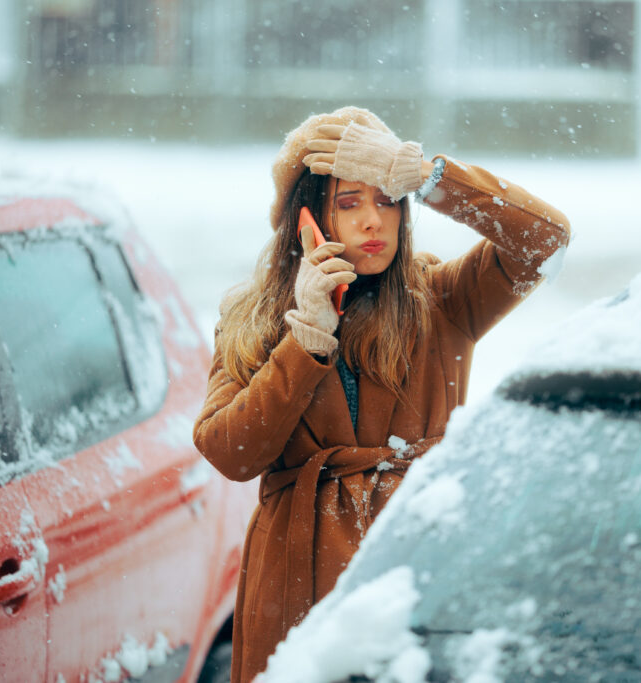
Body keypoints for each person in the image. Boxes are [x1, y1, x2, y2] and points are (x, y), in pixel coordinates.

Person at [192, 106, 570, 682]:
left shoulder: (441, 297)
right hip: (295, 581)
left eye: (388, 199)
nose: (374, 220)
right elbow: (230, 452)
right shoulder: (252, 319)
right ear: (305, 220)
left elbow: (545, 241)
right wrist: (305, 339)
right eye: (348, 203)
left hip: (415, 564)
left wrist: (428, 175)